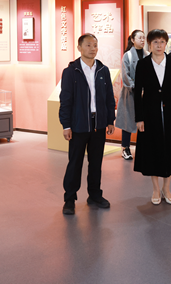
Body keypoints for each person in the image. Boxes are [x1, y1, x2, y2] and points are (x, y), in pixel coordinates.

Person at [59, 34, 116, 215]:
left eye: (95, 45)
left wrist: (110, 120)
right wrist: (66, 125)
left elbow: (109, 98)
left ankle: (95, 195)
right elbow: (65, 100)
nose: (93, 48)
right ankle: (69, 199)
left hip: (99, 124)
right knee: (75, 162)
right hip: (78, 124)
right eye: (89, 45)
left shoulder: (103, 70)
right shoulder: (71, 71)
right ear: (79, 48)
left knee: (96, 162)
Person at [134, 29, 171, 205]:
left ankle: (167, 188)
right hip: (149, 114)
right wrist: (139, 118)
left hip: (170, 113)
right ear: (149, 44)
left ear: (166, 44)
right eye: (155, 42)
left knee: (169, 149)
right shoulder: (142, 64)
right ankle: (156, 189)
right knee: (153, 149)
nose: (159, 45)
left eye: (162, 42)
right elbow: (137, 93)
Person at [116, 30, 147, 160]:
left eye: (144, 38)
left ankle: (144, 148)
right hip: (130, 93)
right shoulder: (127, 55)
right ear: (133, 40)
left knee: (144, 121)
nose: (142, 40)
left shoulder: (148, 55)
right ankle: (125, 148)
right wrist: (137, 88)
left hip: (145, 94)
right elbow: (125, 75)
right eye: (140, 38)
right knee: (127, 121)